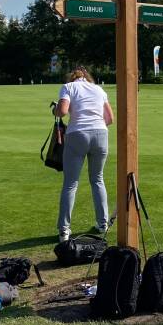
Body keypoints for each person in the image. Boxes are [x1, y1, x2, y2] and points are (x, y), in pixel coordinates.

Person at [54, 66, 114, 243]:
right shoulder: (98, 89)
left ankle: (64, 230)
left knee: (70, 184)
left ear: (72, 77)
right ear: (87, 77)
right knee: (98, 179)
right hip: (100, 134)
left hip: (77, 133)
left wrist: (54, 110)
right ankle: (103, 224)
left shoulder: (68, 87)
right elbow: (110, 118)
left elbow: (62, 111)